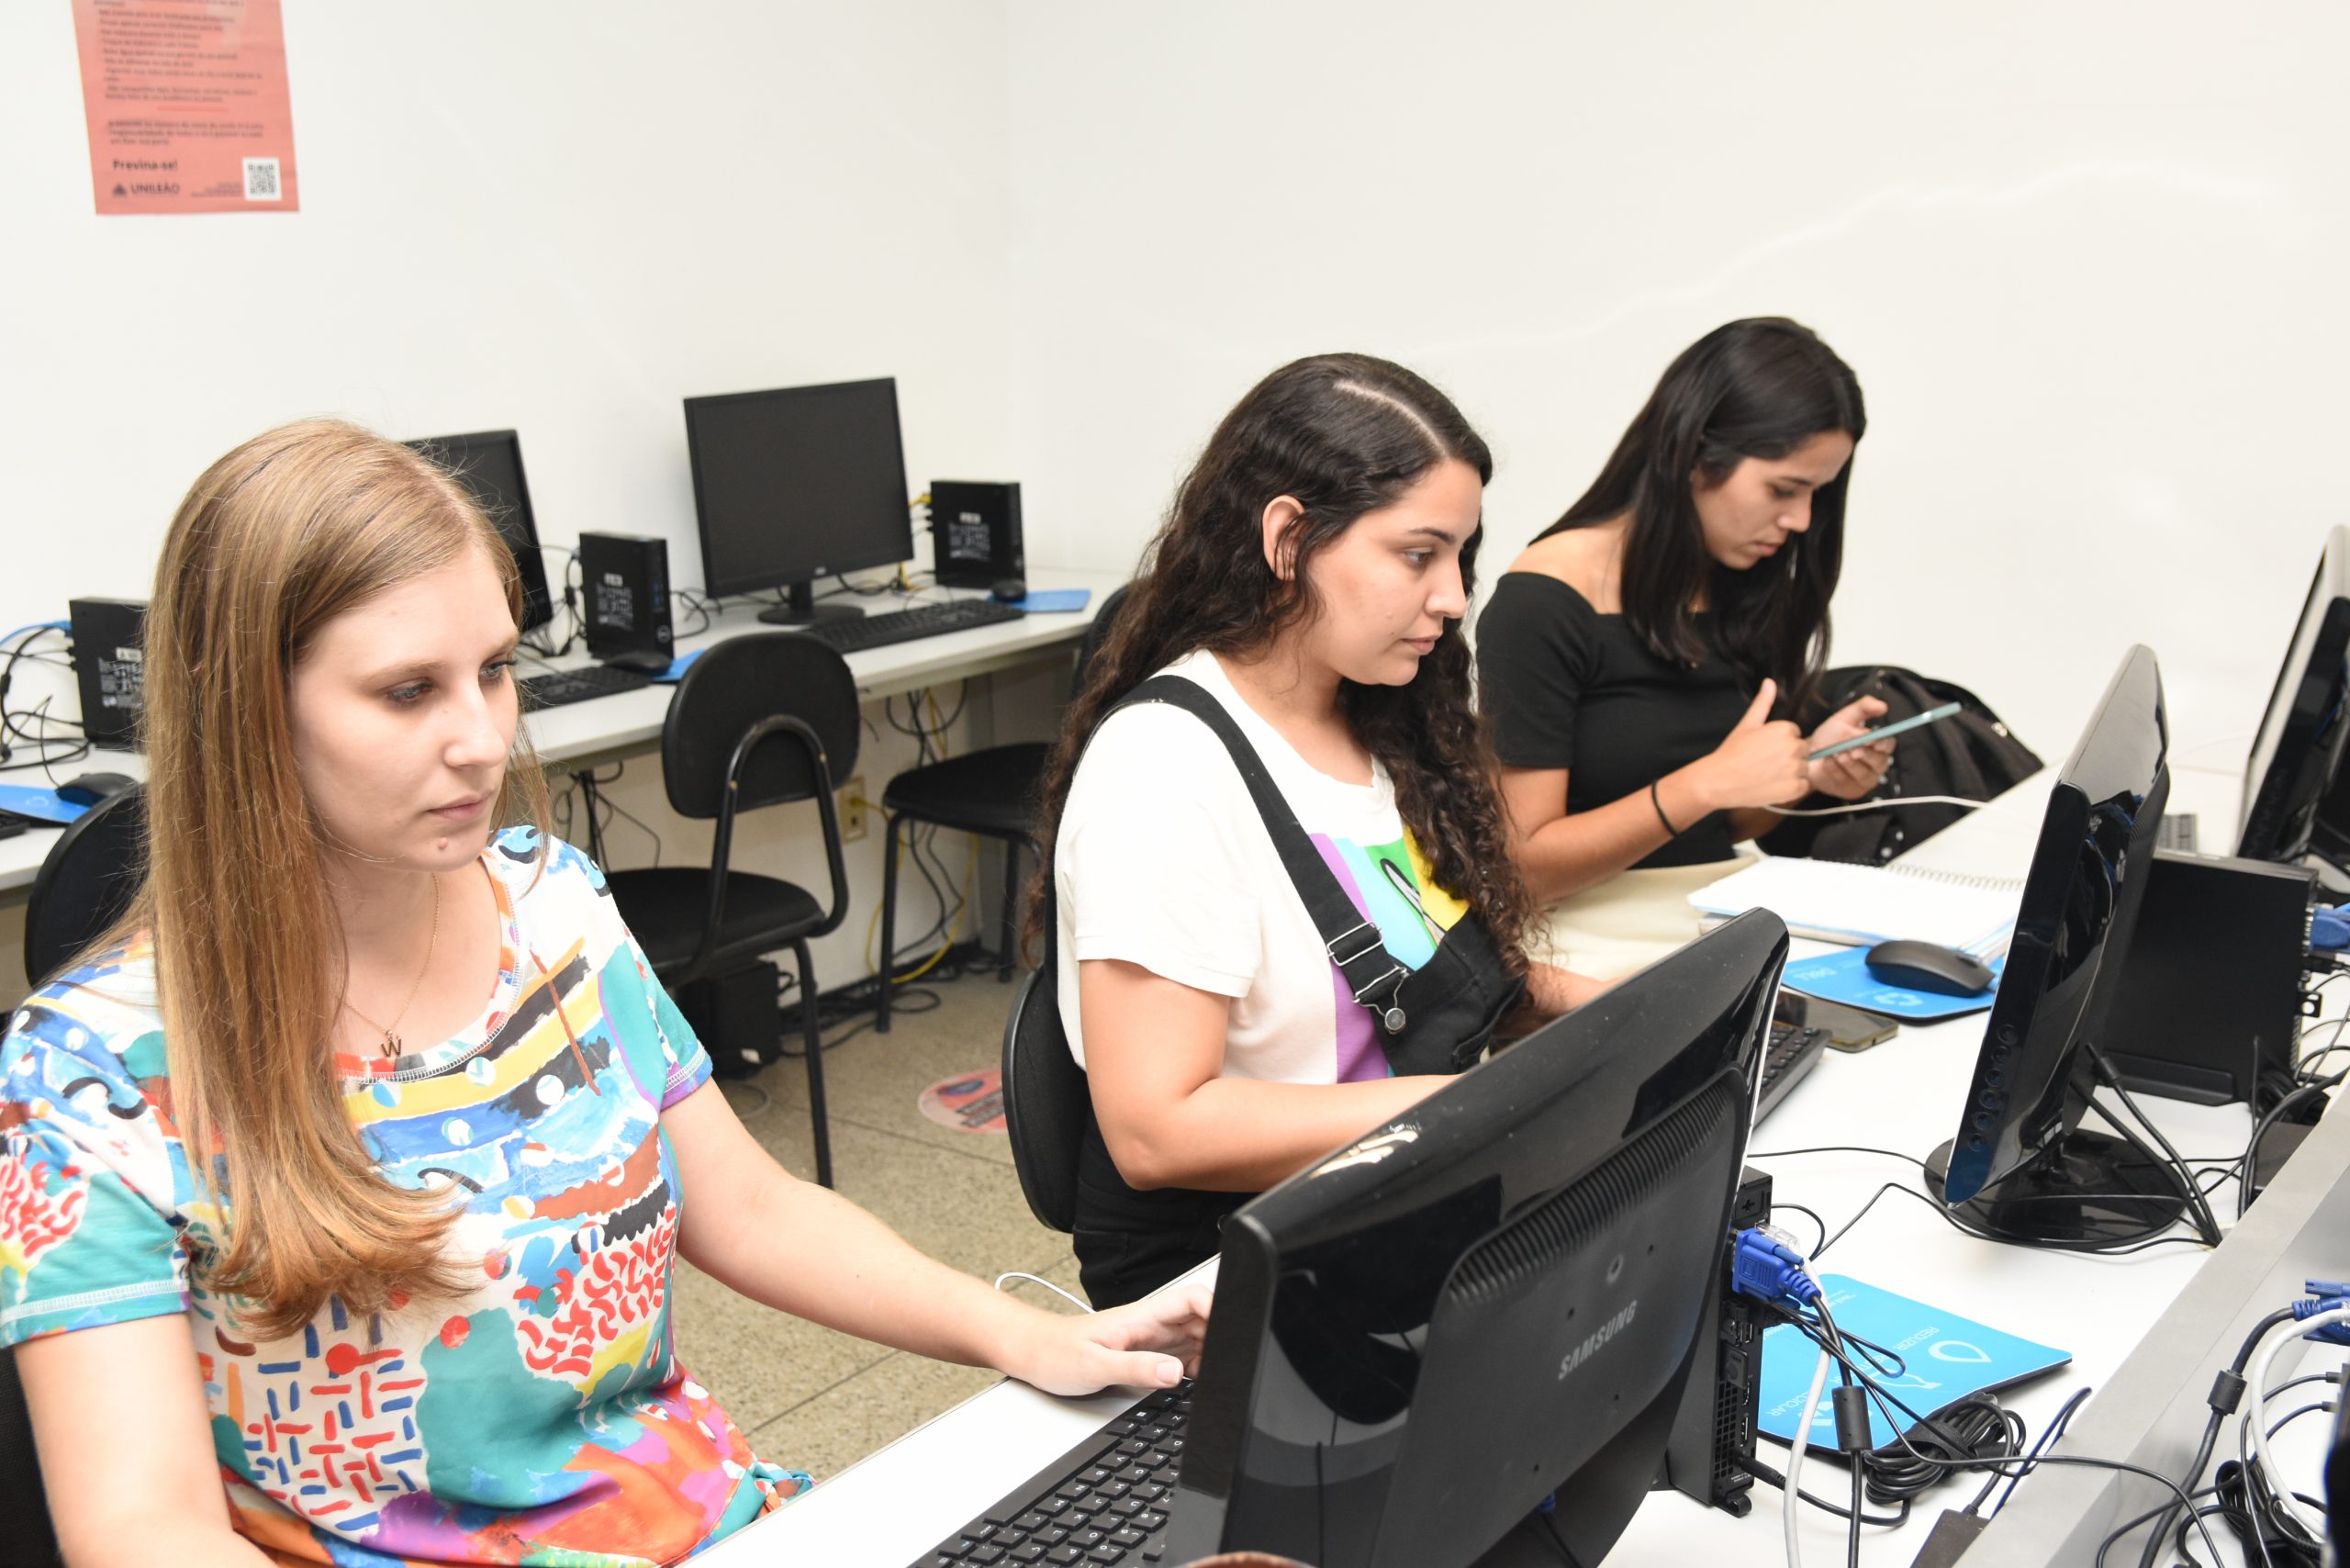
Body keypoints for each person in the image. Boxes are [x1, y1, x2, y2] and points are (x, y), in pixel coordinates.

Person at [0, 420, 1209, 1568]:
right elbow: (145, 1533)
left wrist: (1026, 1333)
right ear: (249, 711)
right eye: (408, 692)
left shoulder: (554, 906)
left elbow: (748, 1212)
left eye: (494, 670)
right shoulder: (91, 1074)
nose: (480, 737)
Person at [1029, 354, 1603, 1309]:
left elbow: (1438, 978)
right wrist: (1481, 1111)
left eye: (1460, 555)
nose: (1454, 596)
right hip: (1248, 1273)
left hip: (1395, 1202)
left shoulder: (1373, 724)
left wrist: (1647, 1014)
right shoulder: (1166, 771)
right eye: (1417, 555)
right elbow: (1155, 1131)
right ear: (1288, 538)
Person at [1477, 317, 1889, 979]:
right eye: (1784, 490)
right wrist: (1702, 785)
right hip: (1594, 953)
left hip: (1728, 922)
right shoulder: (1545, 602)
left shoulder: (1741, 585)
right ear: (1696, 454)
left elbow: (1709, 830)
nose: (1802, 521)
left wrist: (1807, 773)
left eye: (1818, 492)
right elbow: (1523, 871)